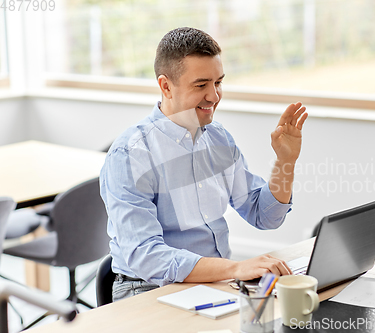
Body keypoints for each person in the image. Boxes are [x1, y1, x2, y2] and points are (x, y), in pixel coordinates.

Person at [100, 27, 308, 301]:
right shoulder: (131, 154)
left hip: (214, 282)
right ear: (166, 86)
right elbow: (146, 256)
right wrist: (235, 268)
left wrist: (285, 162)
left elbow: (263, 215)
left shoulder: (218, 138)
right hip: (148, 289)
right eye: (201, 85)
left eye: (218, 82)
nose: (214, 96)